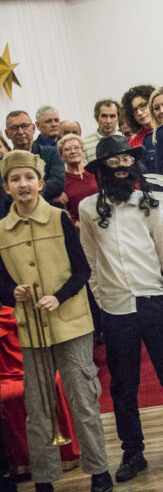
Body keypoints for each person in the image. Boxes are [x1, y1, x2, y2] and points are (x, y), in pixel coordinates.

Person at [79, 135, 163, 482]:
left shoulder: (149, 204)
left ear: (134, 165)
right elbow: (90, 263)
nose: (122, 168)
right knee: (123, 387)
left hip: (154, 302)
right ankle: (133, 453)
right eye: (113, 162)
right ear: (102, 170)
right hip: (116, 309)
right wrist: (103, 300)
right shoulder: (88, 209)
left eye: (127, 161)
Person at [0, 151, 113, 492]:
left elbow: (82, 270)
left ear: (39, 183)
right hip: (31, 328)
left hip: (71, 323)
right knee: (37, 408)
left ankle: (99, 470)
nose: (23, 185)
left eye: (29, 178)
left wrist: (58, 296)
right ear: (6, 188)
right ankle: (45, 477)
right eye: (15, 179)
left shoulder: (60, 218)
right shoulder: (2, 230)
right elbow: (1, 281)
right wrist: (12, 292)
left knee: (83, 401)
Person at [4, 111, 65, 205]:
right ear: (7, 133)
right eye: (14, 128)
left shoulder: (51, 153)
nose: (20, 132)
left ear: (33, 128)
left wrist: (21, 193)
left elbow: (57, 184)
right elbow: (4, 193)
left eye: (24, 126)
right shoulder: (4, 163)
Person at [58, 134, 96, 224]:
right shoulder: (61, 181)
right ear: (62, 157)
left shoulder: (94, 172)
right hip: (79, 228)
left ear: (82, 151)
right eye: (67, 149)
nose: (73, 151)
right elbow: (65, 213)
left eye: (76, 147)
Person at [120, 85, 156, 150]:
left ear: (153, 102)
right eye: (134, 110)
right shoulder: (133, 144)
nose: (139, 113)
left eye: (142, 106)